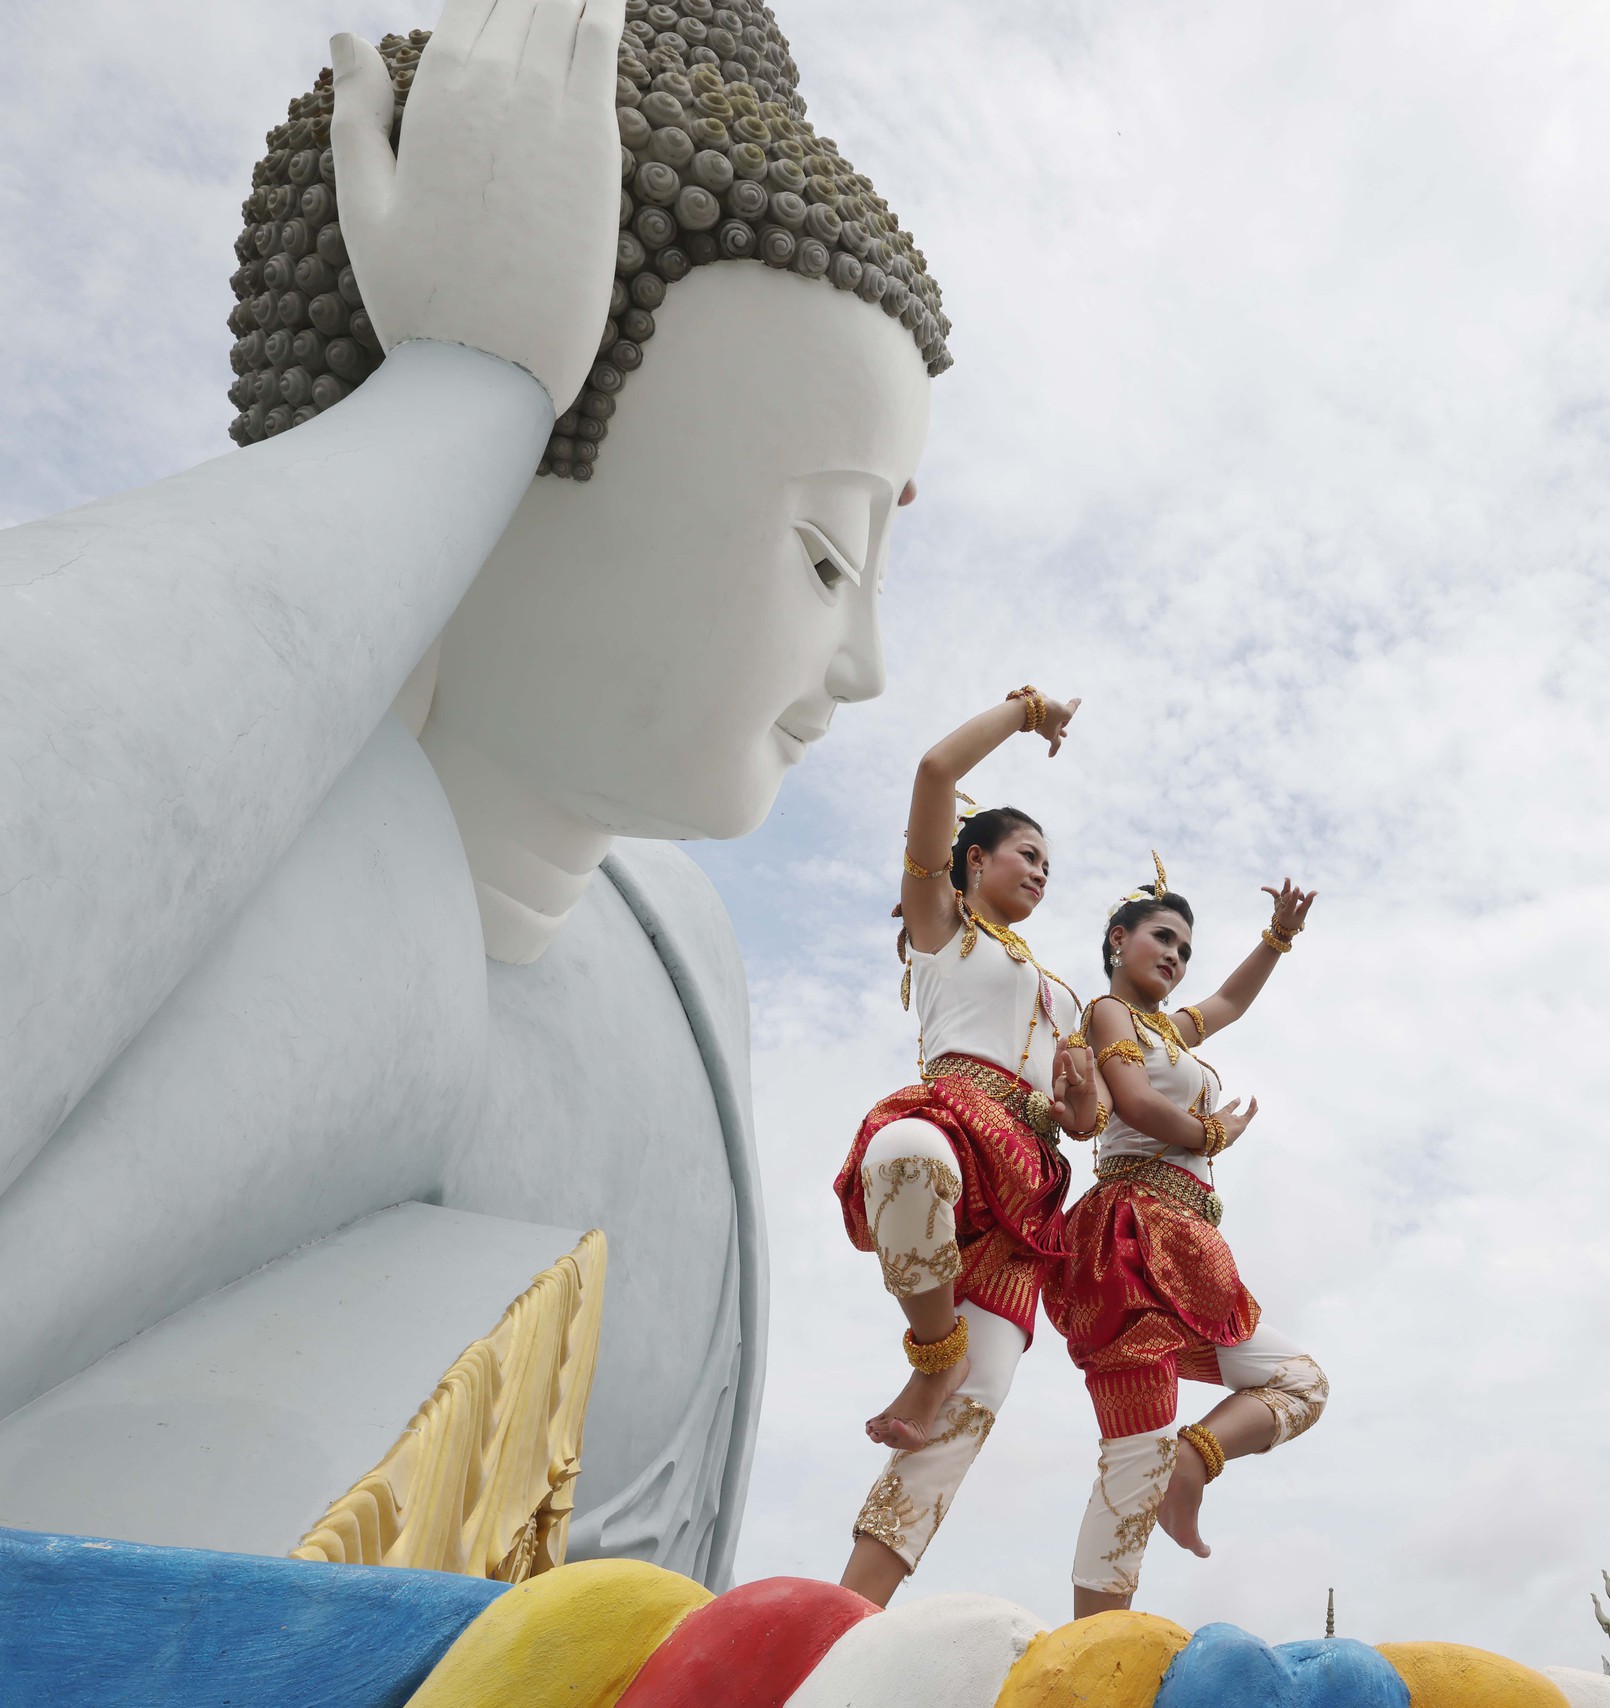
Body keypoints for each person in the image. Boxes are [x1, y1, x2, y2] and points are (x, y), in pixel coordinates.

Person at [0, 0, 945, 1582]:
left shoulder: (676, 960)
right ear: (499, 496)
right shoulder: (310, 873)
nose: (860, 664)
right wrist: (464, 382)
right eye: (825, 553)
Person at [831, 686, 1099, 1605]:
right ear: (973, 860)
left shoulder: (1061, 995)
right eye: (1026, 855)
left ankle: (849, 1617)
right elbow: (936, 773)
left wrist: (1079, 1105)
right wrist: (1026, 714)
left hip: (1028, 1192)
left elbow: (1087, 1117)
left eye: (1049, 865)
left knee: (968, 1420)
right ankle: (930, 1350)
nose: (1039, 872)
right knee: (904, 1153)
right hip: (953, 1123)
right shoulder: (940, 933)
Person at [1047, 859, 1326, 1614]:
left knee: (1301, 1384)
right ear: (1118, 940)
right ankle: (1096, 1641)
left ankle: (1194, 1462)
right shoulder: (1109, 1013)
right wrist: (1214, 1131)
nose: (1174, 956)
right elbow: (1134, 1102)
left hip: (1190, 1246)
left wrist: (1277, 937)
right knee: (1134, 1446)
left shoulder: (1169, 1028)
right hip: (1132, 1236)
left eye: (1185, 949)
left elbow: (1231, 1001)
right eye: (1161, 938)